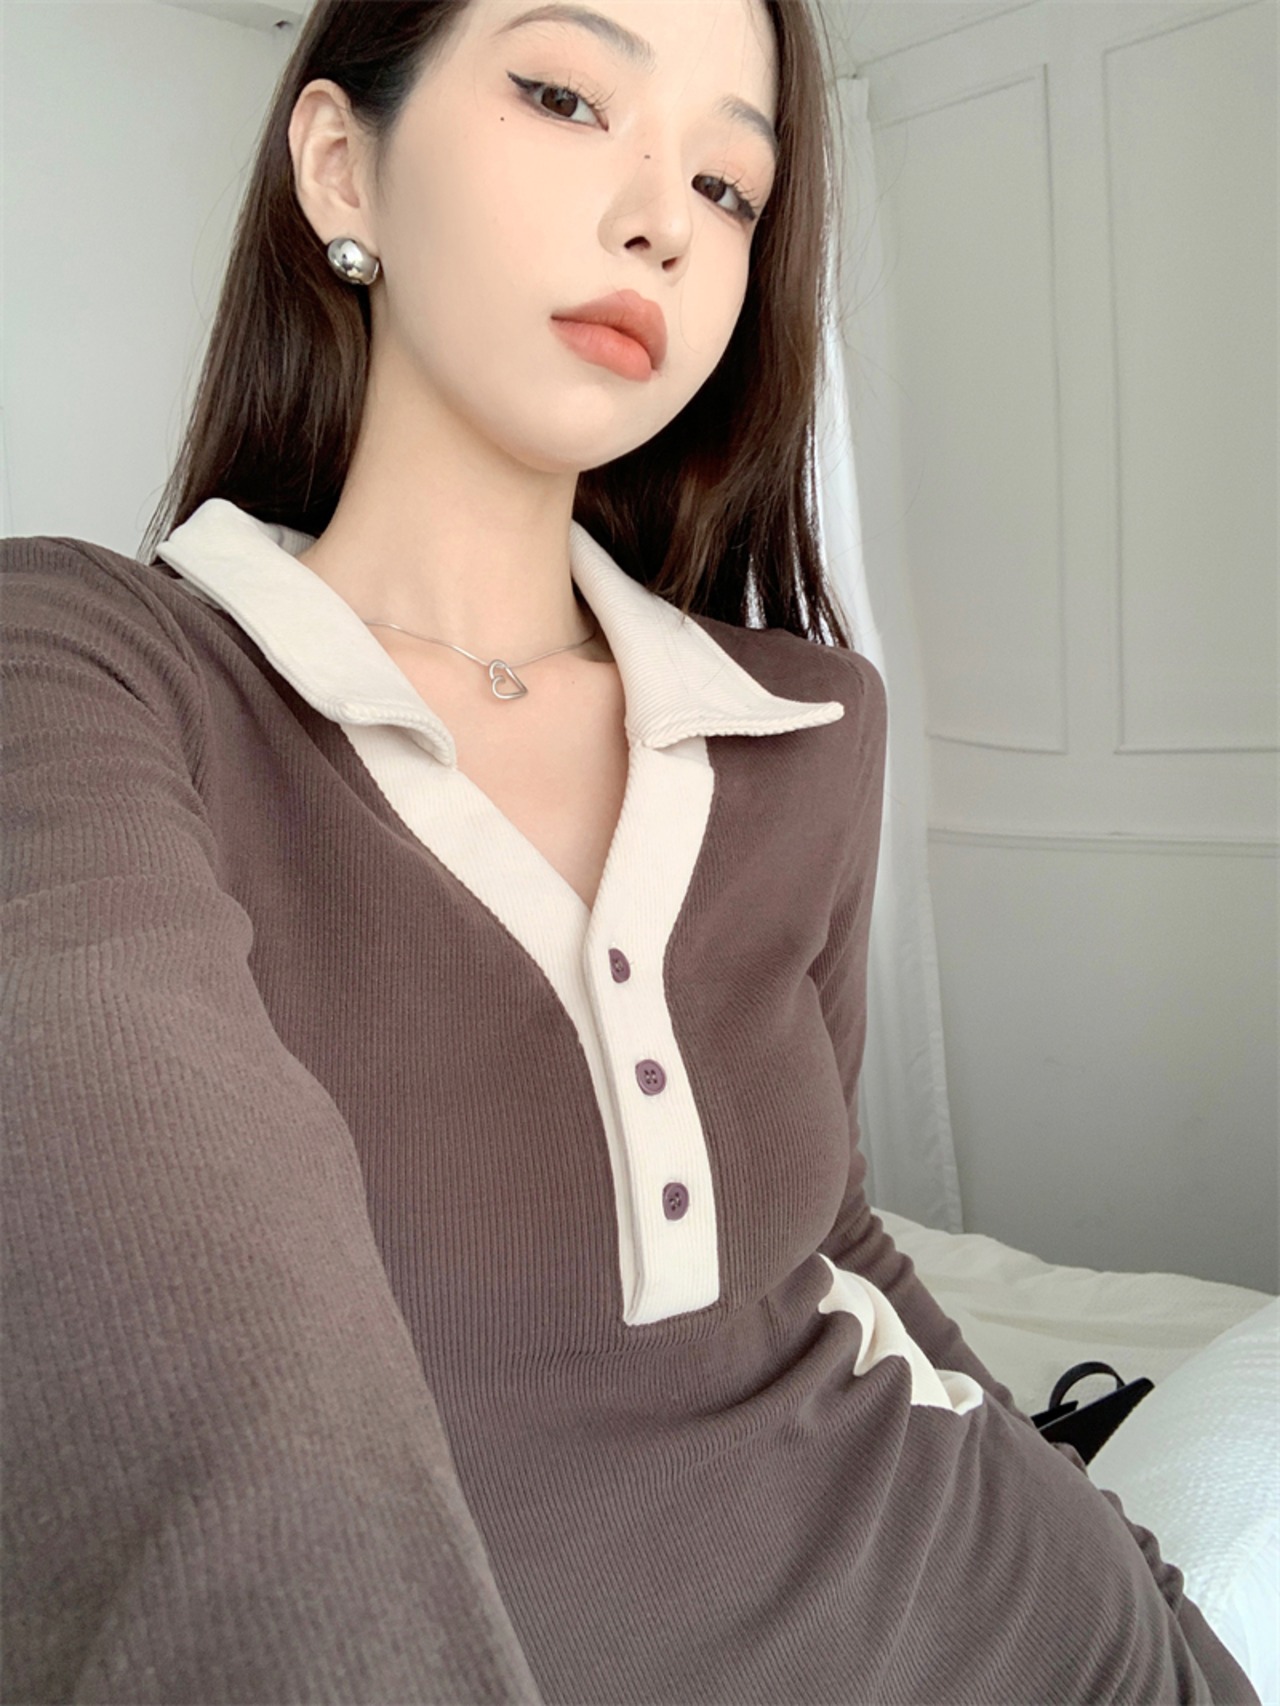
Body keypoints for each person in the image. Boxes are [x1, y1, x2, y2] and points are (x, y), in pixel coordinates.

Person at [0, 1, 1260, 1702]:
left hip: (1049, 1620)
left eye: (732, 187)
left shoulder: (812, 722)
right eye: (564, 93)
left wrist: (1136, 1584)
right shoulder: (88, 668)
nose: (668, 216)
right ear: (340, 165)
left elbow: (837, 1234)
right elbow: (179, 1362)